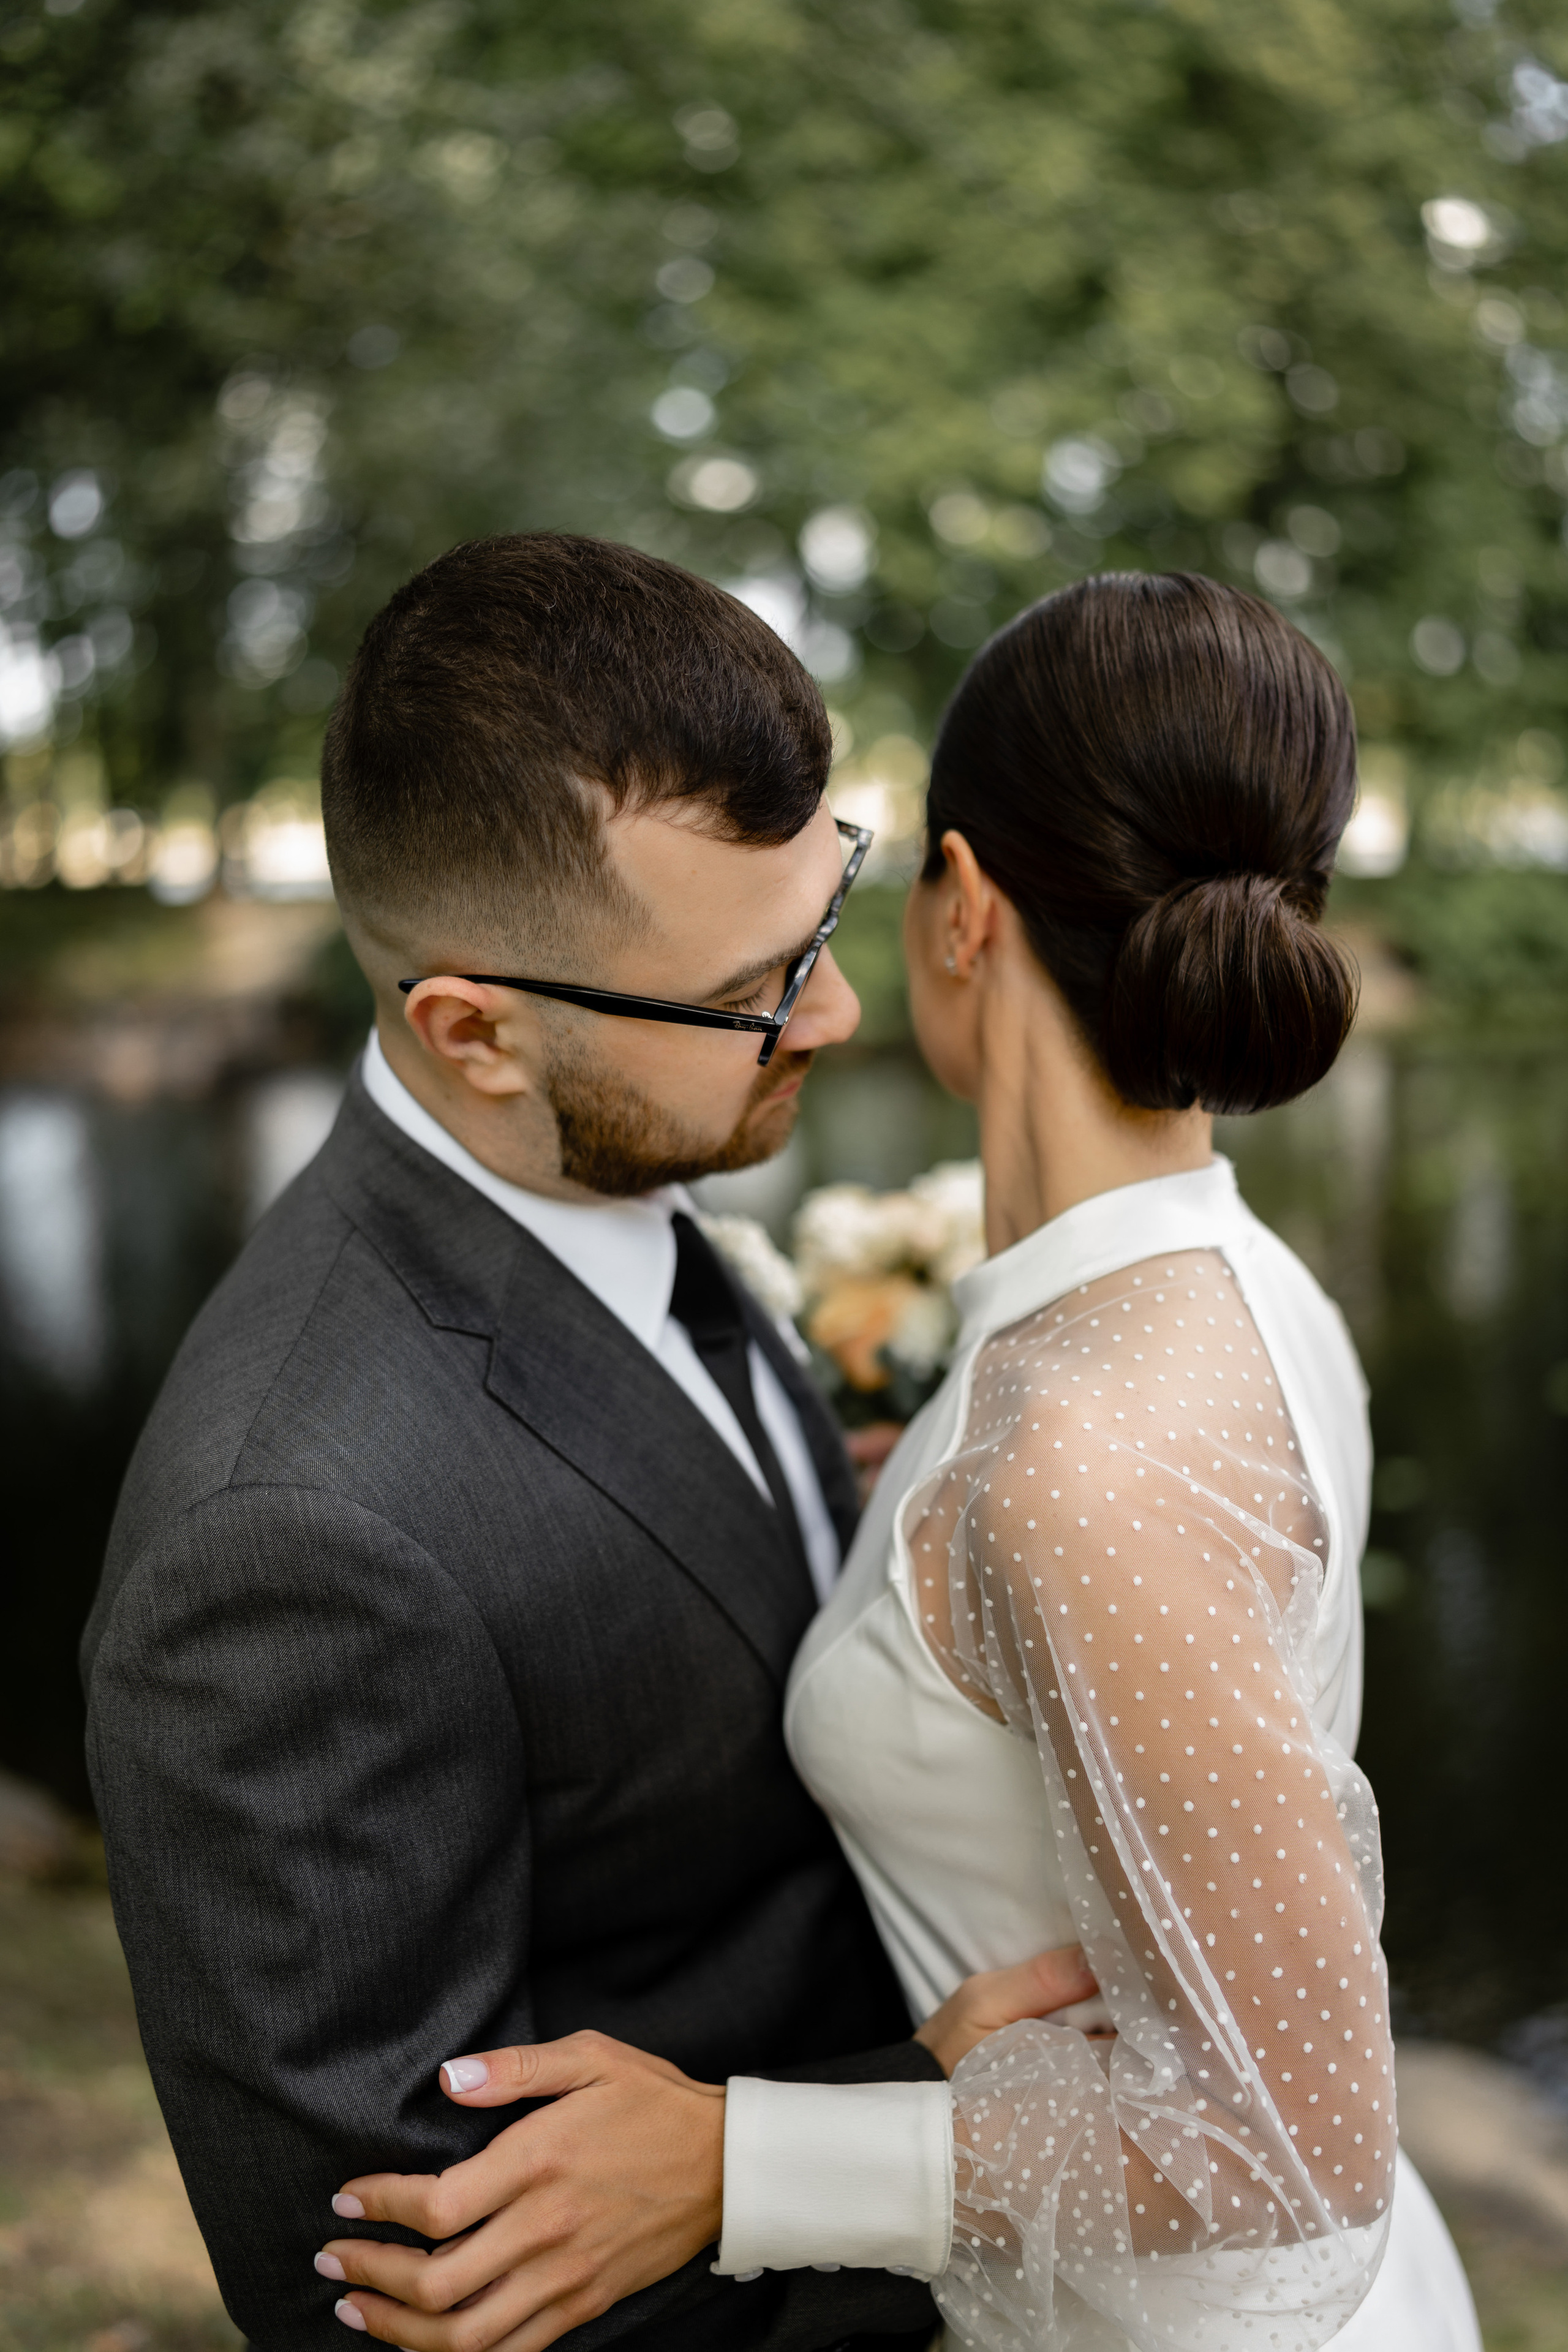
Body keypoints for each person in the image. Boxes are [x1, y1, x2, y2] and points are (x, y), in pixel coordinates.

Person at [321, 574, 1482, 2352]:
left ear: (963, 905)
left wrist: (737, 2162)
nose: (827, 996)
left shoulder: (1088, 1455)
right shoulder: (1229, 1284)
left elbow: (1290, 2138)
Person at [80, 532, 1092, 2352]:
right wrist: (892, 2131)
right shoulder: (288, 1540)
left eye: (828, 920)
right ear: (473, 1030)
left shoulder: (619, 1171)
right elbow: (395, 2307)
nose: (841, 1018)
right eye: (749, 996)